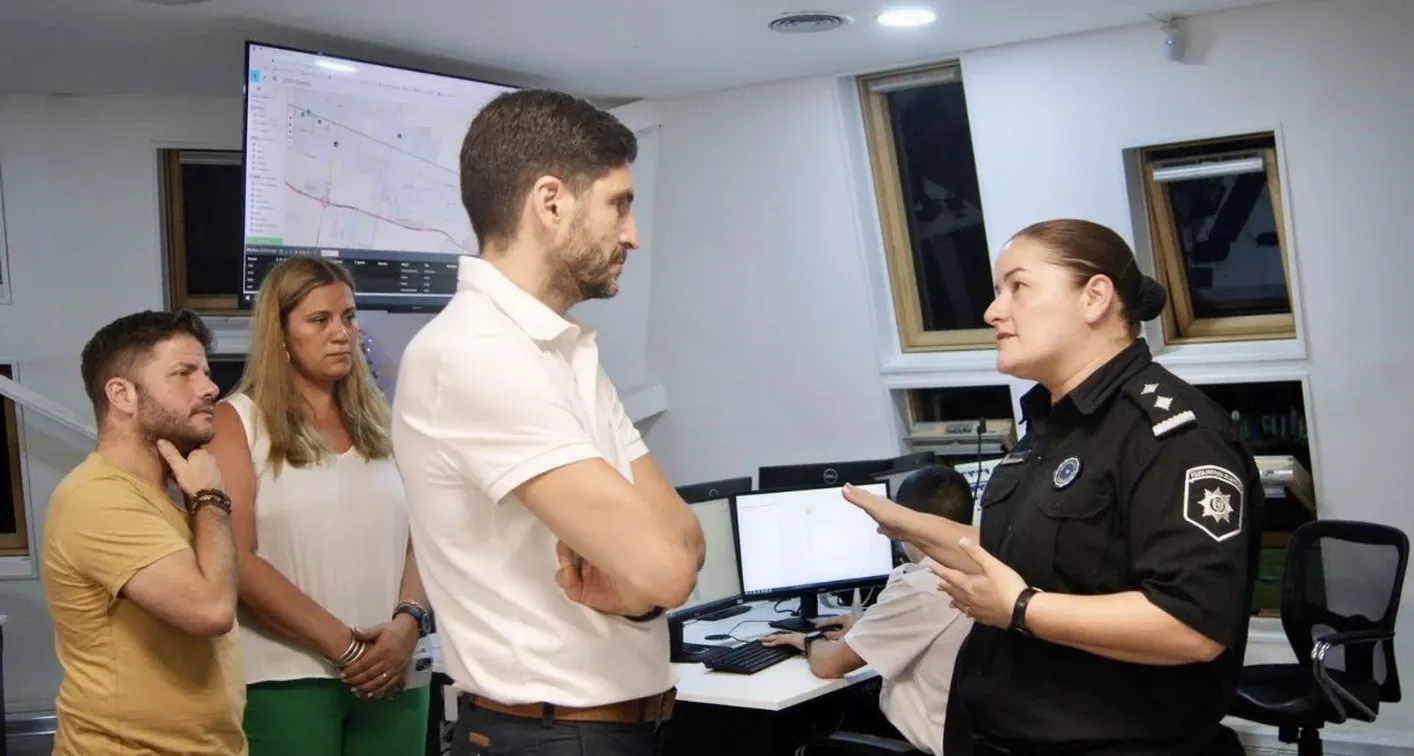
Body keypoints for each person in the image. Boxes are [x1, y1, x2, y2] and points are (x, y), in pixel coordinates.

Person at [843, 219, 1263, 756]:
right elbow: (1016, 558)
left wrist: (1021, 608)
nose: (993, 311)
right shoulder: (1051, 428)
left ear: (1095, 298)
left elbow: (1190, 625)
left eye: (1017, 287)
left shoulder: (1172, 434)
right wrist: (907, 522)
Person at [390, 88, 704, 756]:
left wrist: (640, 594)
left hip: (608, 727)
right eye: (618, 204)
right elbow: (667, 564)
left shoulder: (563, 352)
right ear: (551, 201)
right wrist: (650, 577)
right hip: (549, 734)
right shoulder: (473, 355)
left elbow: (684, 543)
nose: (633, 235)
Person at [204, 256, 431, 755]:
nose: (341, 333)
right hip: (288, 679)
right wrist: (346, 648)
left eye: (348, 317)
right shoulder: (235, 422)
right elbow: (236, 558)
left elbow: (424, 539)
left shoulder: (382, 421)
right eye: (319, 320)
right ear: (280, 334)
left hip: (395, 673)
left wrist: (406, 625)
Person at [41, 309, 246, 755]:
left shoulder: (163, 498)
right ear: (122, 395)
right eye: (183, 373)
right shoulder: (97, 500)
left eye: (206, 373)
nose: (210, 388)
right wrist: (211, 497)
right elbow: (211, 608)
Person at [761, 464, 976, 756]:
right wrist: (865, 628)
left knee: (789, 726)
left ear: (906, 522)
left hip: (921, 744)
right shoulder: (983, 573)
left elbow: (828, 665)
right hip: (967, 736)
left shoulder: (920, 586)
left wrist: (808, 640)